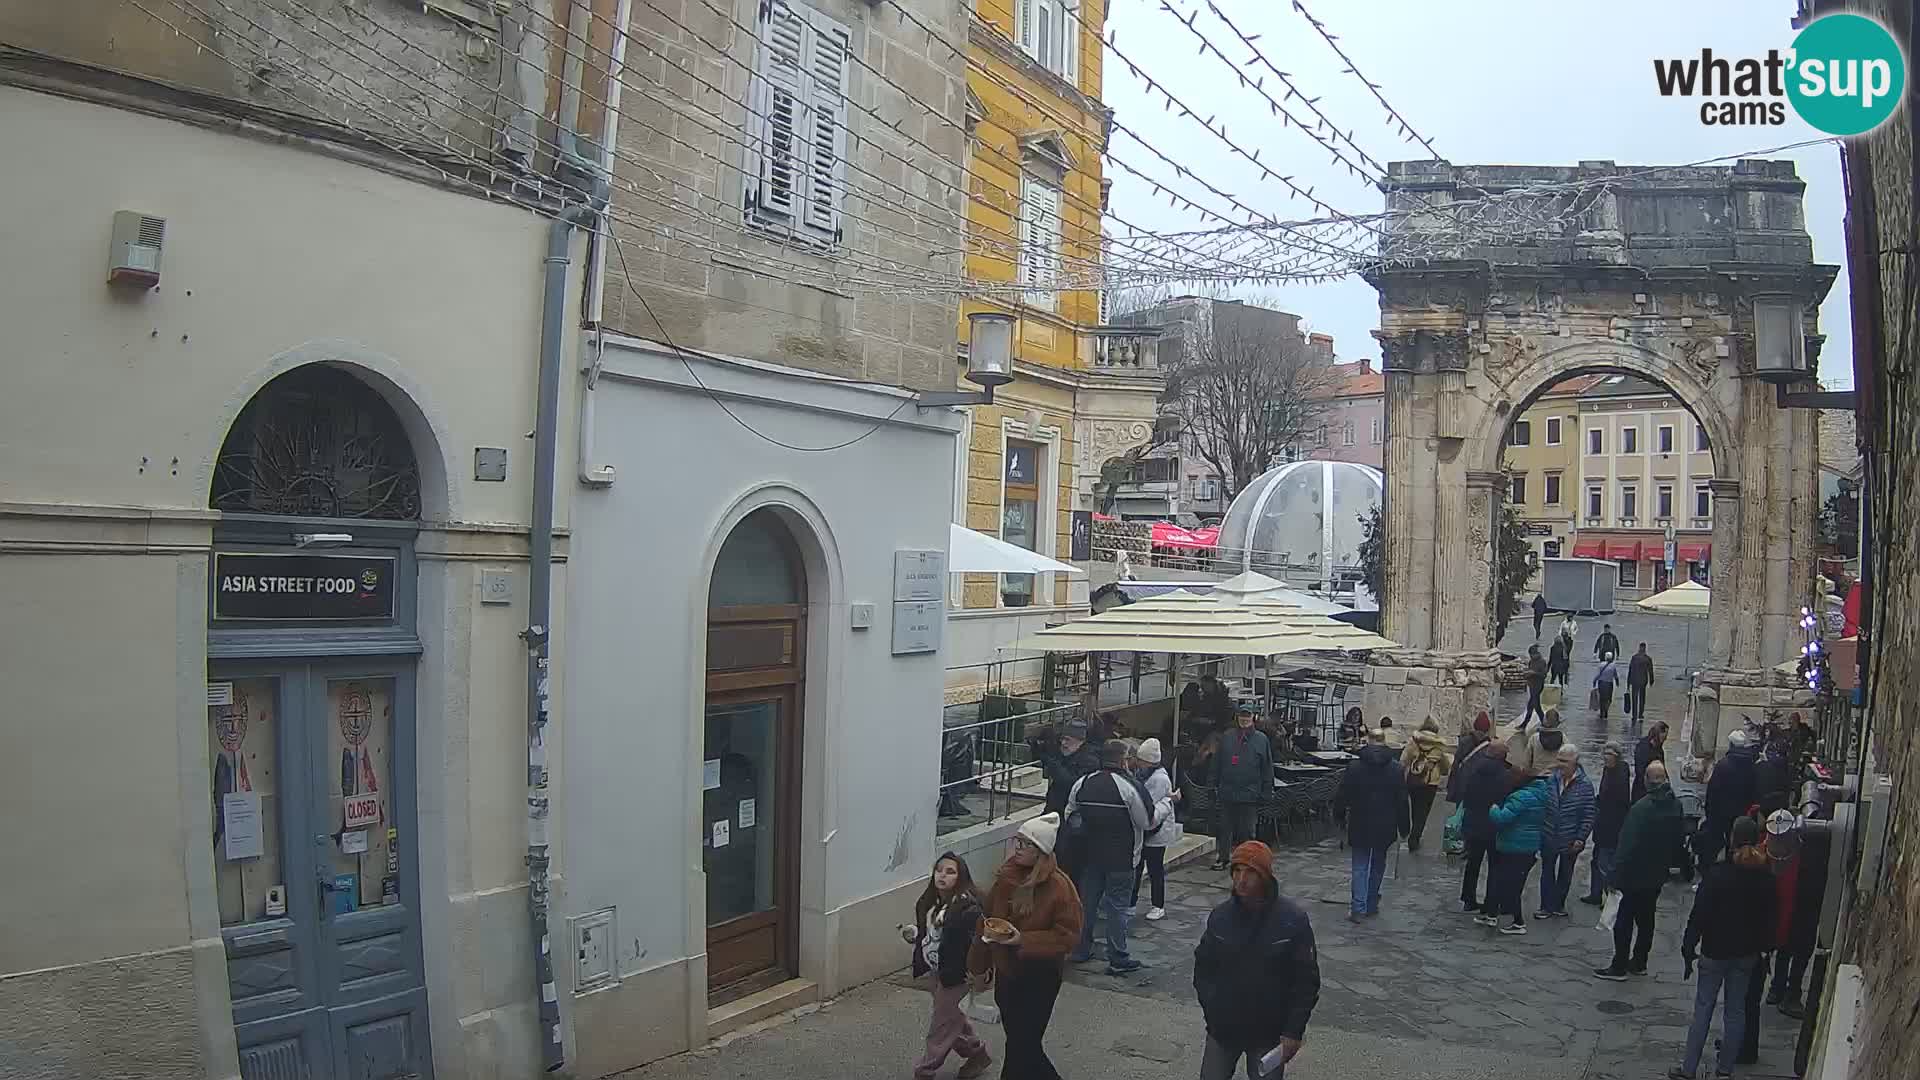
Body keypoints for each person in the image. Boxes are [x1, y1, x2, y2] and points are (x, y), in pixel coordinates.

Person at [1193, 841, 1320, 1079]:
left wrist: (1293, 1031)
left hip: (1268, 1033)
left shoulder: (1291, 921)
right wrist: (1212, 1008)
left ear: (1265, 876)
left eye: (1250, 872)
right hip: (1223, 1029)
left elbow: (1306, 981)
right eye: (1237, 871)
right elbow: (1203, 967)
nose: (1241, 879)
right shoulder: (1220, 917)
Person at [968, 814, 1082, 1080]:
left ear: (1041, 850)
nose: (1017, 849)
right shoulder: (1006, 878)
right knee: (1021, 1045)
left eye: (1025, 844)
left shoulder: (1060, 887)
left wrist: (1023, 940)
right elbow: (985, 922)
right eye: (1016, 842)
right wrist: (978, 966)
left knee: (1023, 1044)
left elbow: (1068, 936)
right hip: (1008, 974)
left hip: (1040, 976)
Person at [1671, 817, 1776, 1080]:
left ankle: (1688, 1069)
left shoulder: (1717, 875)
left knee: (1703, 1008)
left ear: (1732, 839)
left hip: (1714, 951)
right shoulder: (1764, 877)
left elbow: (1699, 915)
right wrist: (1766, 949)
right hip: (1746, 954)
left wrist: (1688, 946)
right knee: (1736, 1010)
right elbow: (1768, 919)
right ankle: (1725, 1070)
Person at [1065, 740, 1153, 974]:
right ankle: (1118, 957)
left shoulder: (1082, 783)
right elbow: (1145, 822)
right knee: (1118, 908)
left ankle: (1081, 949)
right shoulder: (1128, 787)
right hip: (1122, 860)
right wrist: (1165, 805)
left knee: (1087, 904)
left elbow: (1070, 815)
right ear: (1123, 760)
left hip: (1090, 857)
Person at [905, 852, 992, 1080]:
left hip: (957, 974)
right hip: (937, 970)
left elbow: (974, 943)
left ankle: (925, 1070)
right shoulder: (932, 902)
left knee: (941, 1025)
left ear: (960, 877)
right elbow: (934, 935)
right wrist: (915, 934)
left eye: (950, 872)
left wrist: (978, 973)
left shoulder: (966, 907)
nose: (942, 875)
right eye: (939, 870)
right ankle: (977, 1054)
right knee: (953, 1017)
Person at [1594, 761, 1684, 980]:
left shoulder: (1641, 809)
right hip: (1656, 873)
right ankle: (1640, 961)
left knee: (1624, 921)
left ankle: (1619, 965)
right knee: (1647, 919)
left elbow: (1626, 845)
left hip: (1633, 874)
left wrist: (1613, 875)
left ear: (1646, 780)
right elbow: (1678, 838)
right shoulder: (1676, 805)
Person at [1334, 730, 1412, 920]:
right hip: (1385, 824)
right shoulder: (1396, 769)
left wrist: (1339, 817)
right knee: (1378, 863)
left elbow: (1342, 795)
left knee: (1360, 865)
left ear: (1368, 741)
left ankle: (1358, 908)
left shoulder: (1354, 767)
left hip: (1360, 821)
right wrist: (1405, 827)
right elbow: (1402, 801)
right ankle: (1370, 903)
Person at [1481, 763, 1553, 934]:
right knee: (1510, 883)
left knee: (1510, 885)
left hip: (1514, 845)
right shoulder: (1542, 794)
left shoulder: (1520, 797)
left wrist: (1493, 808)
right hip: (1529, 846)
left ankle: (1518, 922)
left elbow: (1501, 819)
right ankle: (1493, 914)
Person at [1208, 705, 1273, 871]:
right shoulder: (1227, 737)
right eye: (1241, 716)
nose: (1244, 719)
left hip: (1250, 794)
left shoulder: (1262, 739)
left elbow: (1267, 768)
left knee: (1248, 831)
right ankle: (1223, 858)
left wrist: (1266, 791)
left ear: (1253, 717)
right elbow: (1216, 763)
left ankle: (1247, 861)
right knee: (1224, 828)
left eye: (1247, 716)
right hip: (1227, 792)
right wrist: (1212, 785)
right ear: (1237, 717)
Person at [1537, 746, 1596, 918]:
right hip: (1549, 835)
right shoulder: (1551, 780)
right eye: (1559, 760)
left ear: (1575, 763)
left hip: (1570, 838)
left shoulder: (1585, 785)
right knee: (1547, 871)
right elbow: (1543, 805)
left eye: (1564, 761)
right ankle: (1545, 906)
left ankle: (1558, 904)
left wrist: (1581, 838)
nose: (1560, 764)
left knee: (1566, 872)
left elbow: (1589, 814)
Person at [1457, 739, 1511, 913]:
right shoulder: (1505, 775)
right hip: (1493, 825)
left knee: (1473, 863)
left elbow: (1465, 793)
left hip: (1474, 823)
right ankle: (1491, 902)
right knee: (1495, 866)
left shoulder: (1474, 769)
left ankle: (1468, 898)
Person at [1697, 729, 1759, 869]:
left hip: (1721, 814)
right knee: (1737, 844)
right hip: (1742, 813)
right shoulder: (1751, 766)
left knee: (1716, 843)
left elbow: (1713, 792)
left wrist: (1709, 812)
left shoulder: (1723, 765)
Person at [1580, 742, 1632, 905]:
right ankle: (1596, 894)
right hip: (1603, 825)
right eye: (1605, 754)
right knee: (1597, 860)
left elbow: (1615, 801)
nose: (1606, 757)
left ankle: (1606, 897)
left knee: (1604, 863)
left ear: (1617, 756)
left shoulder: (1619, 775)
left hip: (1611, 827)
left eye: (1610, 754)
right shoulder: (1609, 771)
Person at [1131, 738, 1176, 921]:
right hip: (1147, 830)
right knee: (1138, 867)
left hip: (1156, 831)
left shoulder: (1159, 779)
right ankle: (1131, 902)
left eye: (1141, 761)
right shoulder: (1146, 775)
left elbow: (1147, 804)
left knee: (1155, 868)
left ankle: (1158, 905)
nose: (1139, 764)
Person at [1400, 718, 1452, 853]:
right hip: (1430, 783)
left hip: (1413, 780)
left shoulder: (1414, 742)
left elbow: (1403, 760)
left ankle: (1414, 830)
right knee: (1424, 811)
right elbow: (1446, 768)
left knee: (1415, 808)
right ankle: (1415, 836)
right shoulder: (1439, 746)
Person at [1038, 720, 1100, 817]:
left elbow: (1068, 782)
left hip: (1073, 814)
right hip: (1055, 810)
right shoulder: (1065, 754)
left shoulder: (1090, 761)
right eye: (1062, 739)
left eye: (1068, 740)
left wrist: (1052, 762)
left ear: (1080, 741)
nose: (1063, 743)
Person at [1511, 708, 1567, 778]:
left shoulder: (1534, 738)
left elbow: (1526, 762)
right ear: (1557, 723)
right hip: (1555, 777)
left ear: (1544, 721)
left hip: (1537, 775)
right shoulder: (1563, 738)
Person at [1632, 721, 1669, 803]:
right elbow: (1639, 771)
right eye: (1665, 735)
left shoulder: (1659, 749)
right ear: (1658, 733)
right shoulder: (1643, 747)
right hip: (1642, 791)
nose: (1666, 738)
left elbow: (1663, 768)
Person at [1627, 643, 1655, 725]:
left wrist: (1628, 683)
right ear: (1645, 648)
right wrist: (1651, 681)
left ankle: (1634, 715)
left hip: (1634, 681)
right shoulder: (1647, 659)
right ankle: (1640, 714)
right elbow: (1650, 671)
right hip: (1643, 681)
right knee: (1642, 698)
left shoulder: (1634, 658)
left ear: (1639, 648)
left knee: (1634, 698)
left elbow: (1630, 670)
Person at [1592, 651, 1620, 721]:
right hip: (1609, 684)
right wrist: (1617, 683)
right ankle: (1606, 712)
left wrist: (1594, 681)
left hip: (1601, 683)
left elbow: (1598, 674)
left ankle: (1602, 713)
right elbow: (1616, 676)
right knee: (1609, 699)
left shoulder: (1601, 665)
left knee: (1602, 699)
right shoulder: (1613, 666)